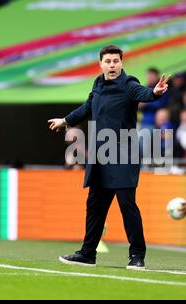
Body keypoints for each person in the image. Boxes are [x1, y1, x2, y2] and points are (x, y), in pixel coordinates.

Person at [48, 45, 169, 270]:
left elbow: (142, 93)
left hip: (123, 155)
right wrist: (65, 120)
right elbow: (87, 107)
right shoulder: (97, 84)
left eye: (116, 61)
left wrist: (155, 92)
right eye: (108, 61)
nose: (112, 65)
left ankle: (137, 256)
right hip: (101, 156)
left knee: (127, 205)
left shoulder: (128, 83)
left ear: (121, 63)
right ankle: (87, 254)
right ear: (101, 64)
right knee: (95, 206)